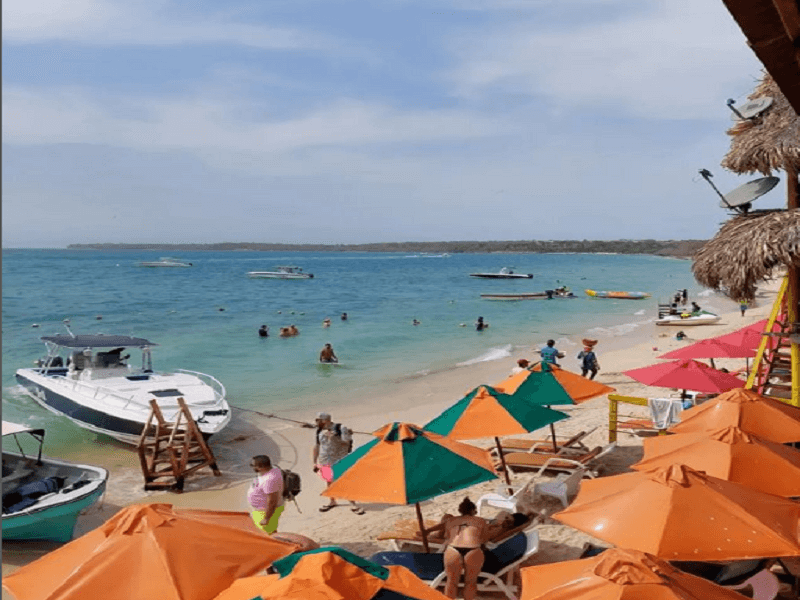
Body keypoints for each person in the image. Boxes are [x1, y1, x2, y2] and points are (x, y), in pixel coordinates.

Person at [313, 412, 364, 514]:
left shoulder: (340, 428)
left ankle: (353, 504)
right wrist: (314, 462)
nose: (316, 422)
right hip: (325, 460)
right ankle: (332, 501)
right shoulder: (319, 430)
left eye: (318, 420)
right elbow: (317, 446)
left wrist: (335, 436)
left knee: (345, 481)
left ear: (325, 420)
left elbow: (347, 442)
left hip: (339, 459)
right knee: (329, 481)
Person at [440, 497, 488, 600]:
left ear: (460, 510)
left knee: (451, 582)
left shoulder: (451, 520)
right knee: (470, 582)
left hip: (453, 550)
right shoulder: (481, 521)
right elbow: (484, 539)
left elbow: (447, 537)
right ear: (473, 510)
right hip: (473, 550)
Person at [247, 455, 284, 534]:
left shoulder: (269, 480)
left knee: (265, 533)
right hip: (260, 510)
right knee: (270, 529)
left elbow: (272, 501)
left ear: (261, 467)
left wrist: (266, 518)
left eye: (253, 465)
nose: (252, 467)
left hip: (265, 511)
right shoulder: (274, 469)